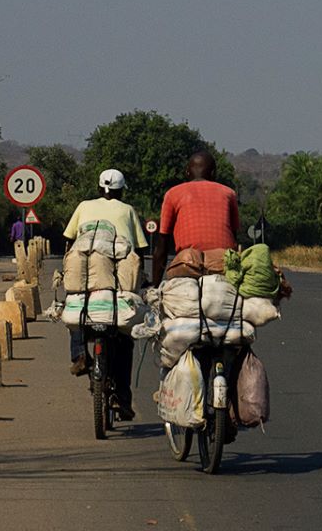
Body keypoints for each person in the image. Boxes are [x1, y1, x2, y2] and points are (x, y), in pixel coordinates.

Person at [62, 168, 148, 420]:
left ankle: (79, 354)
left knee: (77, 304)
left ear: (100, 188)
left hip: (85, 269)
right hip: (117, 277)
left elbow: (68, 239)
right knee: (124, 338)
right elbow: (139, 251)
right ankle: (123, 395)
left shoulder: (83, 206)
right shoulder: (128, 210)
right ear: (121, 191)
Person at [152, 150, 240, 283]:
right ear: (213, 173)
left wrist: (154, 285)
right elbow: (234, 236)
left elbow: (162, 244)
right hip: (222, 263)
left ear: (187, 172)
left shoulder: (173, 194)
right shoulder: (229, 193)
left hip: (188, 261)